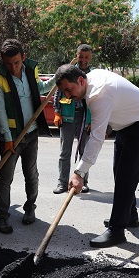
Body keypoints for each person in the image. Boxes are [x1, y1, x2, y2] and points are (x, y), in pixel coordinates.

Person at [55, 64, 139, 248]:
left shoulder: (98, 95)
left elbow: (96, 138)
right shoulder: (91, 77)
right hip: (127, 126)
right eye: (64, 92)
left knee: (125, 177)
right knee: (120, 173)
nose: (68, 96)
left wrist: (79, 173)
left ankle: (117, 230)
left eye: (68, 90)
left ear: (80, 80)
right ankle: (129, 217)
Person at [0, 39, 54, 234]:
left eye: (16, 63)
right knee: (6, 177)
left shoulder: (31, 70)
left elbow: (39, 89)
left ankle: (30, 209)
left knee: (31, 174)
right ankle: (2, 217)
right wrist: (8, 140)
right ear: (2, 60)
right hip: (12, 139)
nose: (13, 67)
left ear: (23, 58)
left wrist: (55, 81)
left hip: (31, 134)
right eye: (8, 64)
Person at [53, 44, 93, 194]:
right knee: (65, 152)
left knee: (84, 152)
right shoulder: (67, 71)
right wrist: (57, 112)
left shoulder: (92, 75)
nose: (83, 60)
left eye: (86, 57)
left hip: (84, 118)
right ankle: (62, 183)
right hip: (67, 117)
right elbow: (58, 93)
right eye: (80, 56)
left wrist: (92, 121)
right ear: (76, 55)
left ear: (90, 58)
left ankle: (83, 182)